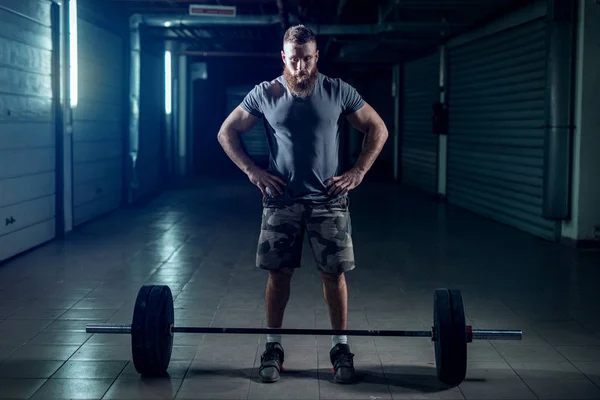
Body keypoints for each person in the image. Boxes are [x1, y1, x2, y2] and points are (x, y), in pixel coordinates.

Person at [217, 24, 388, 384]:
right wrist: (253, 171)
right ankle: (273, 346)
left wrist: (358, 171)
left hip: (329, 200)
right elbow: (226, 131)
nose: (300, 68)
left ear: (316, 57)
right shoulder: (265, 94)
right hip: (281, 200)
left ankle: (340, 347)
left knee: (334, 274)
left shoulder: (338, 91)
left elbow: (378, 128)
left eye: (307, 59)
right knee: (278, 275)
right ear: (283, 57)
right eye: (294, 60)